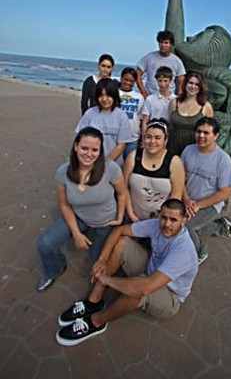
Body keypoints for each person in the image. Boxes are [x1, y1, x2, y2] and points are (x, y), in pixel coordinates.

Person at [55, 198, 198, 346]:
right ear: (159, 215)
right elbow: (120, 231)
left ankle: (95, 322)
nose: (167, 224)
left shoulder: (184, 250)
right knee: (123, 243)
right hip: (151, 271)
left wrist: (107, 279)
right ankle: (94, 301)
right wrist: (102, 260)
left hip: (170, 297)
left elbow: (145, 287)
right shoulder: (156, 225)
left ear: (184, 220)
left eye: (173, 220)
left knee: (137, 292)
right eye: (164, 217)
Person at [155, 0, 231, 159]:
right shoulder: (193, 71)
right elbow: (175, 36)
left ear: (213, 49)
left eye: (199, 36)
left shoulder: (218, 83)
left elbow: (176, 41)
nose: (190, 37)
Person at [36, 127, 127, 292]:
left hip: (105, 222)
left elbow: (122, 193)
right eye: (84, 148)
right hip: (78, 217)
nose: (89, 154)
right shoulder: (63, 172)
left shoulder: (111, 168)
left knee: (96, 264)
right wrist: (76, 233)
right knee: (45, 244)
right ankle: (55, 268)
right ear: (76, 146)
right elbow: (64, 205)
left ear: (100, 152)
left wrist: (120, 218)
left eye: (95, 150)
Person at [181, 117, 231, 265]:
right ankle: (219, 226)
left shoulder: (223, 160)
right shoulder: (188, 150)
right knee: (171, 221)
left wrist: (198, 205)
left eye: (206, 133)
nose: (201, 136)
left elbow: (225, 192)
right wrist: (186, 199)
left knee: (186, 226)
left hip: (209, 204)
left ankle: (199, 251)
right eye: (199, 132)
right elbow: (179, 177)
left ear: (216, 136)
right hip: (188, 199)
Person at [123, 119, 185, 222]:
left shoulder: (174, 162)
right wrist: (131, 213)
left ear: (165, 140)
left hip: (161, 221)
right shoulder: (133, 157)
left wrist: (163, 219)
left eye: (157, 138)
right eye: (148, 137)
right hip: (133, 216)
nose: (152, 141)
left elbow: (176, 197)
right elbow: (124, 188)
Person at [76, 78, 131, 166]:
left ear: (114, 96)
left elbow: (122, 145)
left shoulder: (121, 116)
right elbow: (80, 138)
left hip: (113, 165)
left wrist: (105, 164)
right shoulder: (90, 114)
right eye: (101, 95)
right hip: (89, 163)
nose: (104, 99)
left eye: (108, 95)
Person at [167, 71, 213, 156]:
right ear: (185, 84)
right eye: (190, 83)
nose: (193, 86)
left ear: (201, 87)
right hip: (172, 146)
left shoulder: (206, 106)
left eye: (197, 84)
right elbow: (169, 125)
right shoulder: (174, 103)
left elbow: (210, 131)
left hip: (194, 149)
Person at [136, 30, 186, 99]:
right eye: (161, 42)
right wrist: (143, 92)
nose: (163, 45)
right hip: (150, 97)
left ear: (171, 44)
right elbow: (138, 74)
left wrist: (179, 95)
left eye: (166, 43)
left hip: (169, 99)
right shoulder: (149, 57)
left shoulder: (177, 61)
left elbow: (181, 79)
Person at [141, 66, 176, 138]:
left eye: (165, 81)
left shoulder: (175, 99)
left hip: (169, 134)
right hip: (153, 133)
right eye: (160, 81)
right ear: (156, 81)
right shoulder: (150, 99)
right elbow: (145, 121)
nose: (162, 84)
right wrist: (144, 137)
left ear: (171, 80)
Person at [118, 67, 144, 158]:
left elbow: (140, 118)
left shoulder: (139, 97)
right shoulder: (114, 93)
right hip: (116, 137)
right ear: (121, 78)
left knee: (129, 164)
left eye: (131, 81)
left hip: (132, 138)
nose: (128, 83)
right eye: (126, 79)